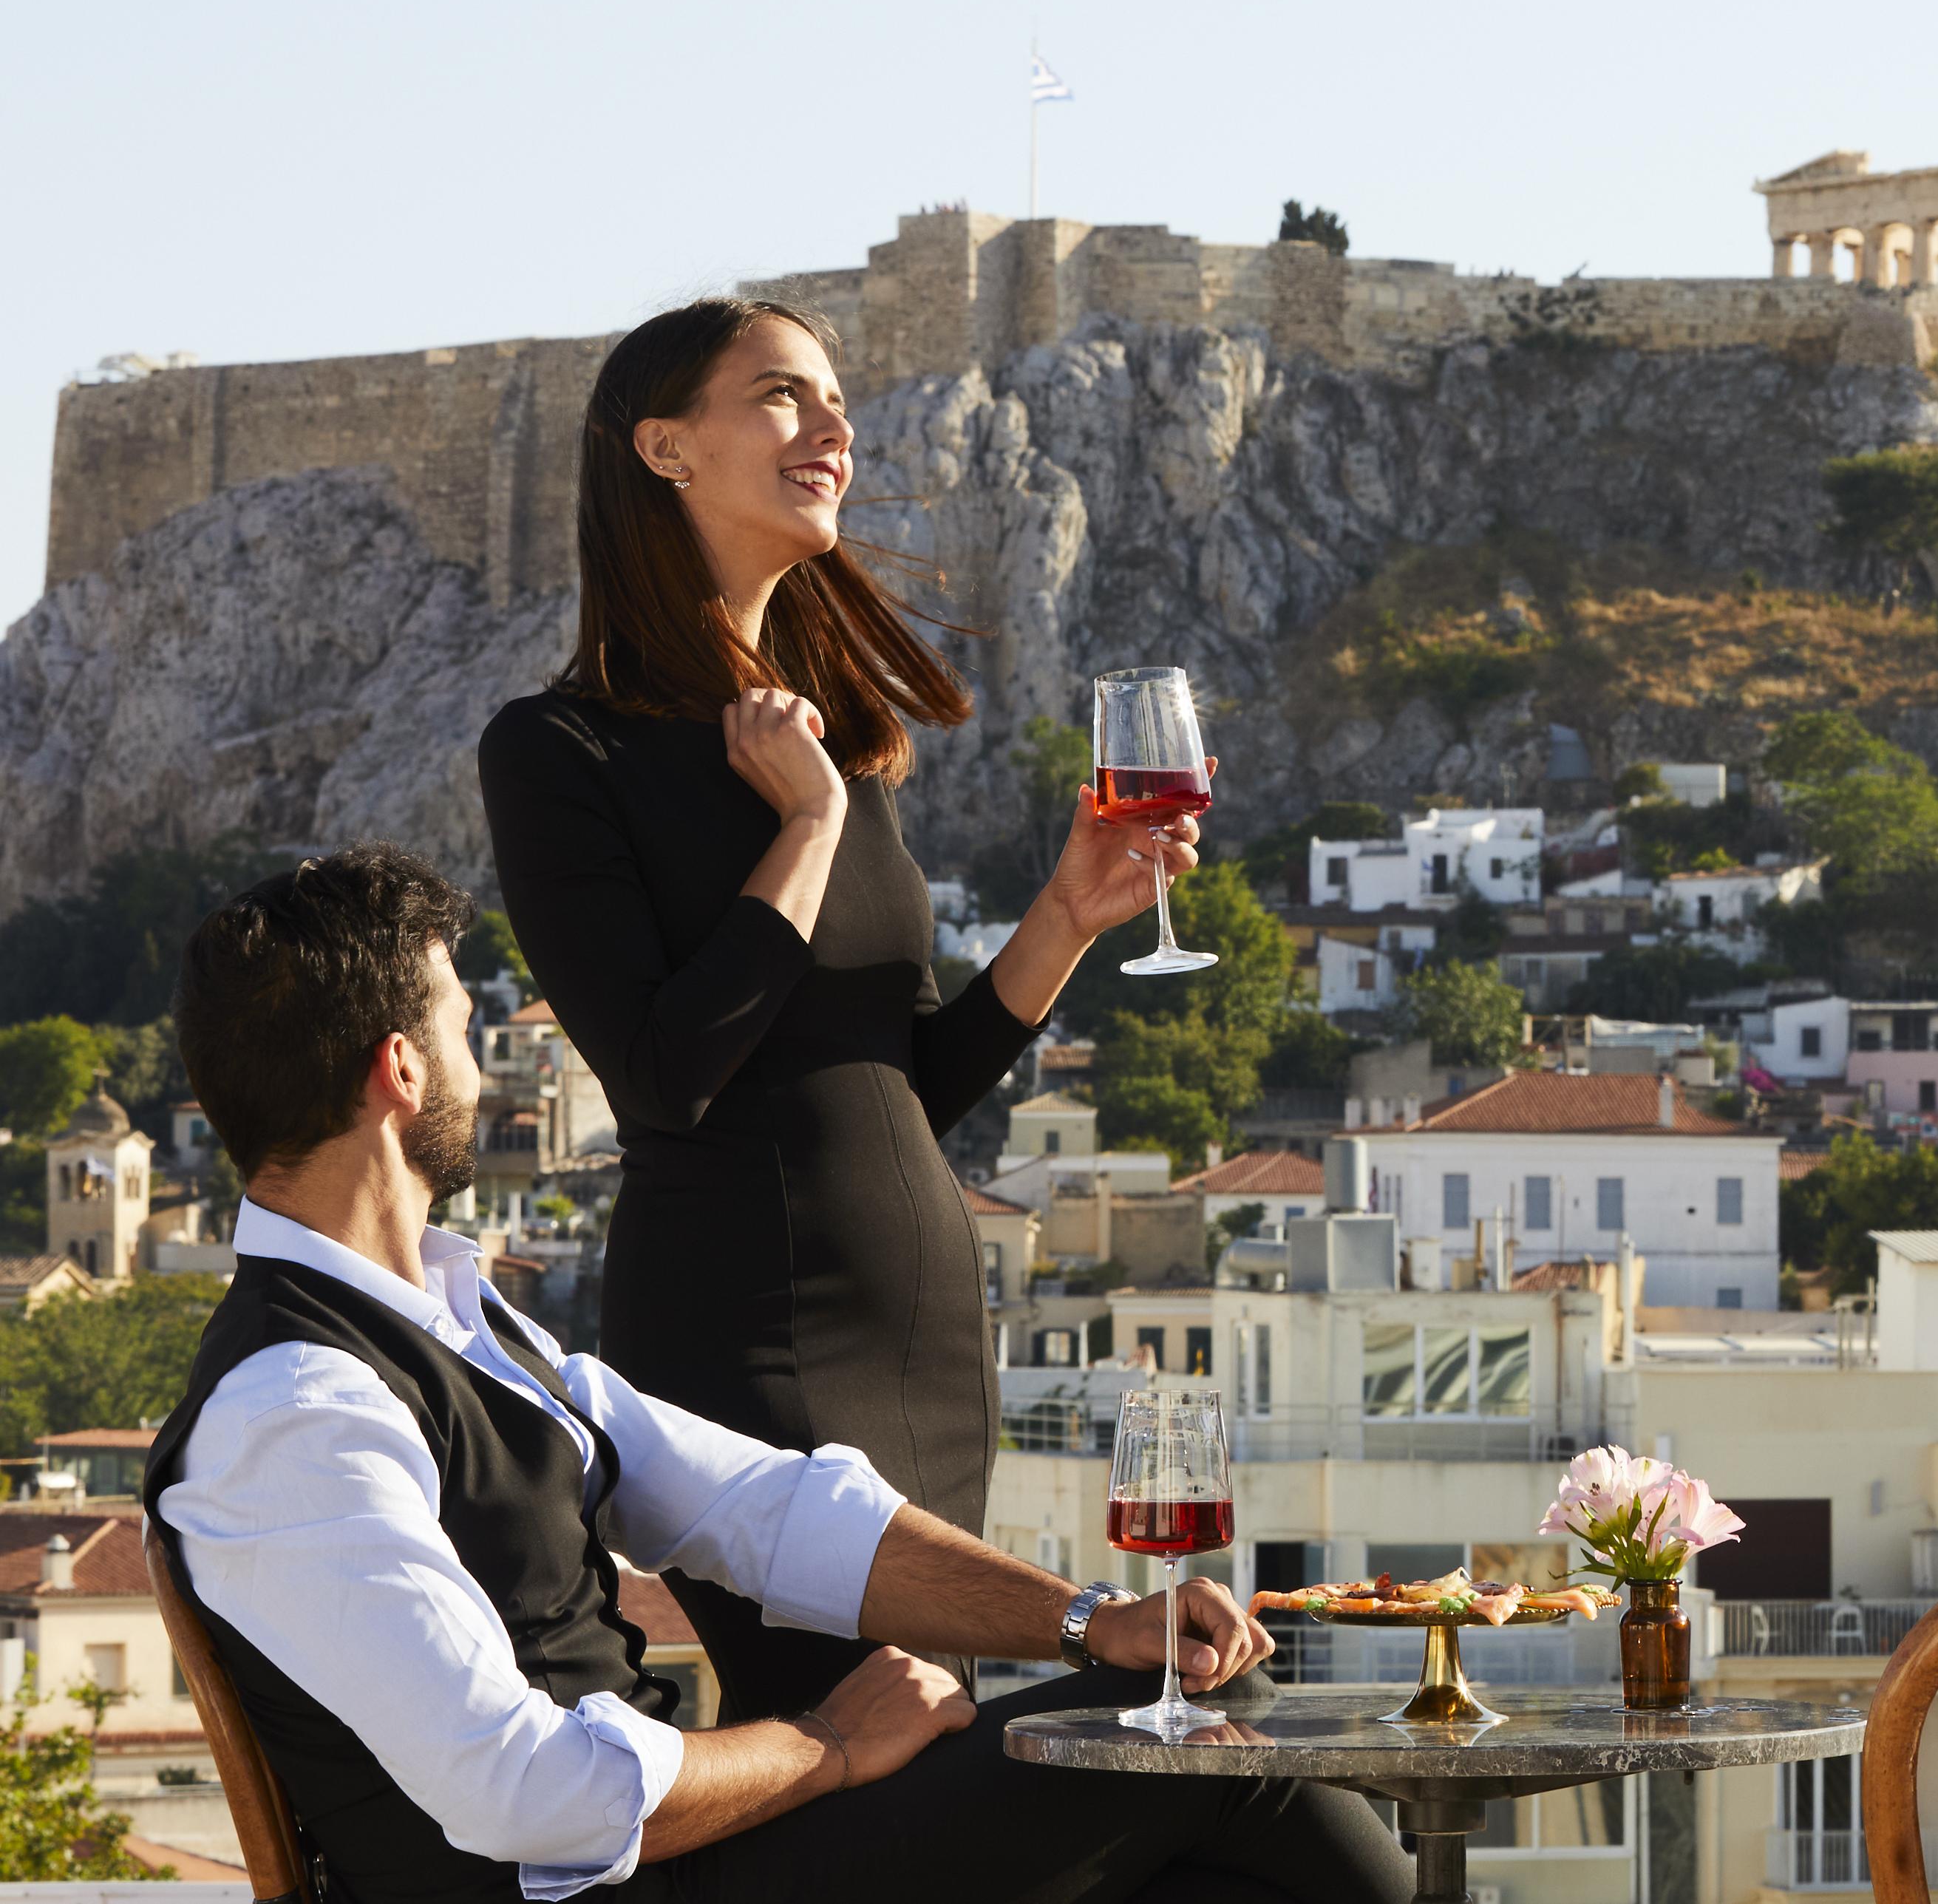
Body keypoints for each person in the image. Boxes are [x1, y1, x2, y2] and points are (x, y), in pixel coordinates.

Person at [150, 846, 1408, 1904]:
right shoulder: (295, 1411)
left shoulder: (450, 1317)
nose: (483, 1054)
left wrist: (1090, 1621)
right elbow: (521, 1790)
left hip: (693, 1858)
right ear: (400, 1069)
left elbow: (763, 1508)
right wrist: (827, 1746)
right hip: (630, 1882)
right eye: (462, 1019)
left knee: (1189, 1765)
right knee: (1218, 1759)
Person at [477, 297, 1193, 1721]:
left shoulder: (834, 745)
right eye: (784, 397)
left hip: (924, 1332)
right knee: (884, 1745)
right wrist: (799, 828)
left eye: (835, 402)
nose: (835, 430)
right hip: (746, 1339)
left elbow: (900, 1079)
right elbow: (667, 1074)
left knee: (927, 1756)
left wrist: (1065, 915)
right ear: (666, 447)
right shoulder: (562, 750)